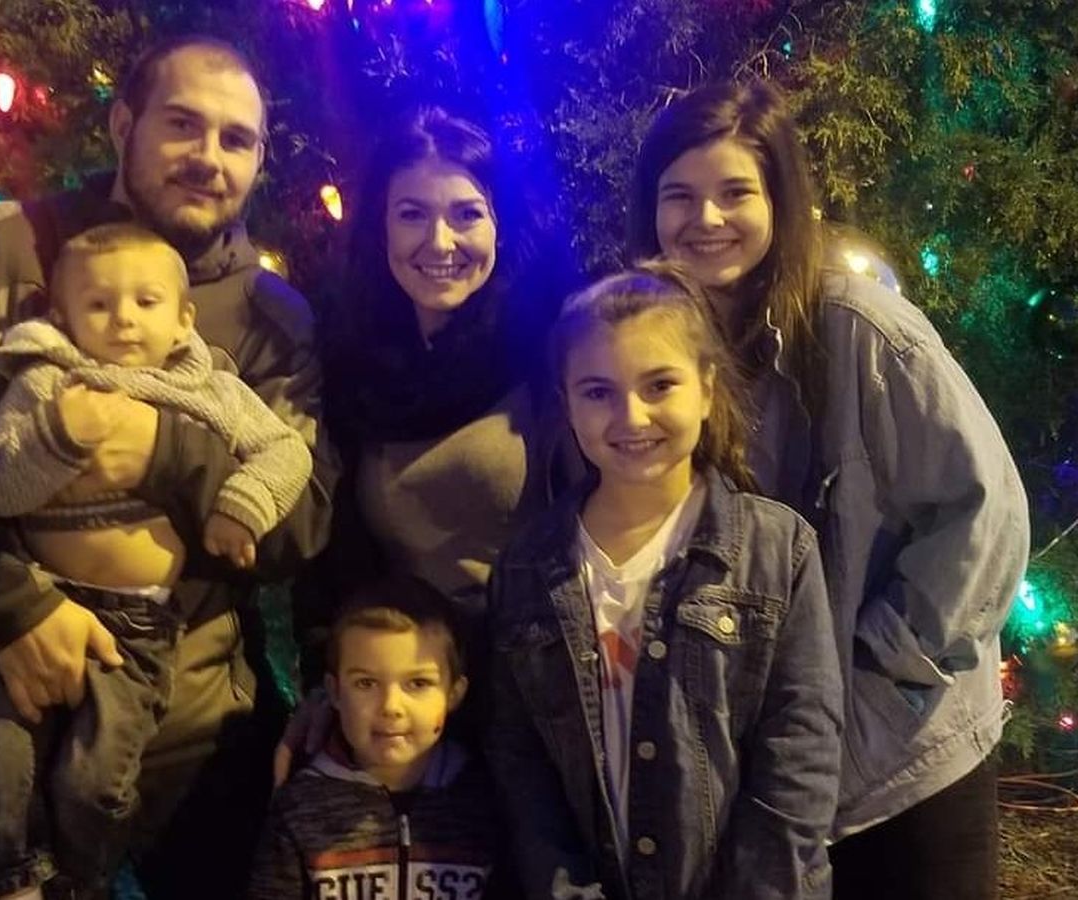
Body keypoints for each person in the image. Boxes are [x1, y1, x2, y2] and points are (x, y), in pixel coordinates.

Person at [0, 34, 334, 900]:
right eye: (182, 124)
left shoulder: (272, 319)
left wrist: (165, 453)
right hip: (6, 696)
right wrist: (15, 606)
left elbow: (300, 520)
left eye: (237, 139)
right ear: (124, 123)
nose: (209, 157)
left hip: (196, 731)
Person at [626, 79, 1029, 900]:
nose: (706, 219)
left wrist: (869, 679)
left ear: (780, 199)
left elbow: (984, 516)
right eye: (679, 196)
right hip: (773, 782)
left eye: (735, 192)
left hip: (907, 764)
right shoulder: (652, 354)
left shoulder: (861, 330)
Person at [0, 222, 314, 899]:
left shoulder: (211, 390)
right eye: (98, 304)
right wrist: (59, 437)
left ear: (184, 318)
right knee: (1, 759)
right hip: (40, 608)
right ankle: (13, 875)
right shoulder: (44, 384)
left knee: (93, 780)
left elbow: (287, 451)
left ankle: (80, 881)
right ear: (61, 317)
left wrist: (240, 503)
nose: (123, 318)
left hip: (138, 626)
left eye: (146, 302)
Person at [486, 262, 843, 900]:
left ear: (706, 389)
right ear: (566, 403)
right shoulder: (524, 568)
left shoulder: (777, 551)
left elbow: (799, 758)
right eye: (598, 392)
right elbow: (522, 768)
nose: (631, 416)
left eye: (659, 385)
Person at [281, 105, 578, 769]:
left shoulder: (546, 349)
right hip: (404, 700)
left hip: (539, 693)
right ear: (380, 226)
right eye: (412, 214)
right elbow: (332, 548)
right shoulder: (352, 359)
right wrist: (330, 677)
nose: (439, 242)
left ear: (500, 224)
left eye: (467, 214)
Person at [249, 574, 511, 899]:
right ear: (334, 692)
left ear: (454, 694)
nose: (390, 707)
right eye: (366, 683)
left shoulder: (484, 799)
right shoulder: (298, 807)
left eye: (417, 683)